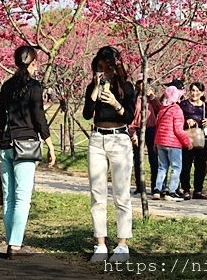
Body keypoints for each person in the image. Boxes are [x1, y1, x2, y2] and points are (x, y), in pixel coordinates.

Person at [0, 46, 56, 259]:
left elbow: (1, 119)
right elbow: (39, 118)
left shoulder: (6, 86)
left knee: (9, 198)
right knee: (22, 198)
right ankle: (15, 245)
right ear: (33, 62)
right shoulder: (34, 86)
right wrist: (50, 145)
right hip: (26, 145)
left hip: (5, 144)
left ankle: (10, 243)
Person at [83, 46, 136, 263]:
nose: (103, 73)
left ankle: (122, 245)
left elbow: (130, 117)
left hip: (119, 139)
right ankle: (101, 244)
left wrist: (116, 103)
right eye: (99, 69)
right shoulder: (92, 87)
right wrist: (95, 90)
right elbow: (87, 114)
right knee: (97, 195)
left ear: (116, 67)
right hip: (97, 140)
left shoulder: (127, 87)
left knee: (121, 194)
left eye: (107, 68)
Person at [153, 85, 192, 202]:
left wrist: (155, 142)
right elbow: (178, 130)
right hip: (173, 143)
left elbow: (158, 126)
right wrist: (187, 142)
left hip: (160, 142)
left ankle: (157, 190)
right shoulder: (177, 110)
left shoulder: (162, 109)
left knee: (162, 167)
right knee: (176, 167)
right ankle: (172, 192)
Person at [179, 82, 207, 200]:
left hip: (202, 140)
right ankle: (186, 189)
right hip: (187, 139)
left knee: (200, 166)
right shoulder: (183, 105)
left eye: (197, 91)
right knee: (186, 165)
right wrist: (186, 121)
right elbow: (177, 119)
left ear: (202, 93)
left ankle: (198, 190)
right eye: (192, 90)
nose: (194, 93)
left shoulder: (206, 106)